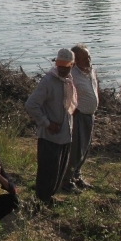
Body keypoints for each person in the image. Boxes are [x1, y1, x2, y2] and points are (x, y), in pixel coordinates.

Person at [24, 49, 77, 204]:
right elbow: (31, 105)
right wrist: (46, 123)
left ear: (72, 66)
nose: (61, 69)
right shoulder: (48, 81)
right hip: (50, 135)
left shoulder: (69, 80)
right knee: (48, 171)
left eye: (65, 66)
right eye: (59, 65)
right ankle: (41, 200)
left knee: (59, 169)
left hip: (65, 134)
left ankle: (50, 197)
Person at [62, 44, 99, 192]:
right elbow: (63, 94)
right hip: (78, 117)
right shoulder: (71, 75)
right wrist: (72, 109)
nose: (88, 60)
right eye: (84, 58)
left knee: (85, 149)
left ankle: (77, 176)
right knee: (75, 150)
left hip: (90, 116)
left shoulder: (90, 71)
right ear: (75, 60)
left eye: (89, 57)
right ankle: (66, 181)